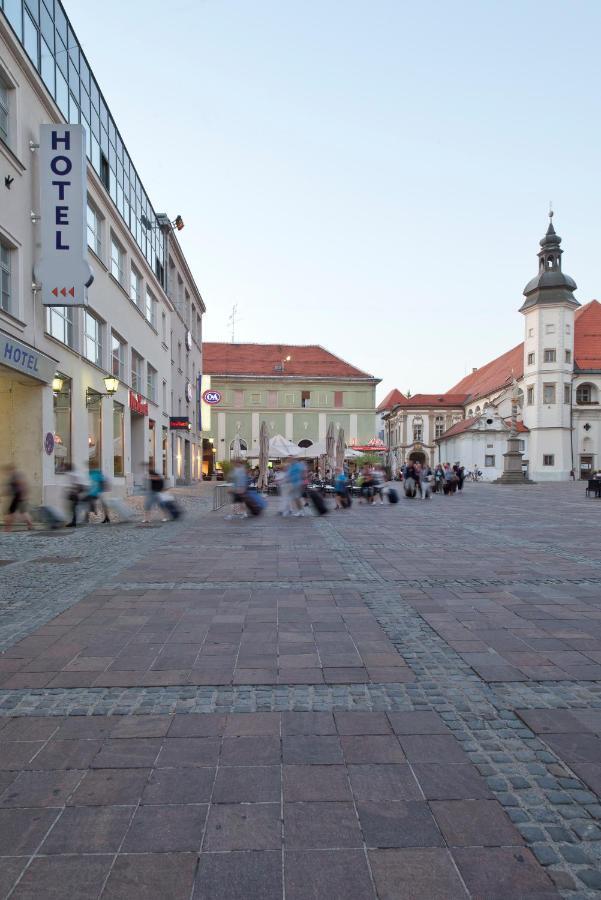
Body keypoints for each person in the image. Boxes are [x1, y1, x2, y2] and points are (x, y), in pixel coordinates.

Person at [3, 465, 33, 532]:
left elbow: (21, 485)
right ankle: (30, 525)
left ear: (11, 470)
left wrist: (23, 495)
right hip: (19, 497)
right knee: (23, 512)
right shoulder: (16, 476)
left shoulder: (14, 476)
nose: (6, 472)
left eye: (7, 470)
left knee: (10, 513)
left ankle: (7, 529)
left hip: (17, 496)